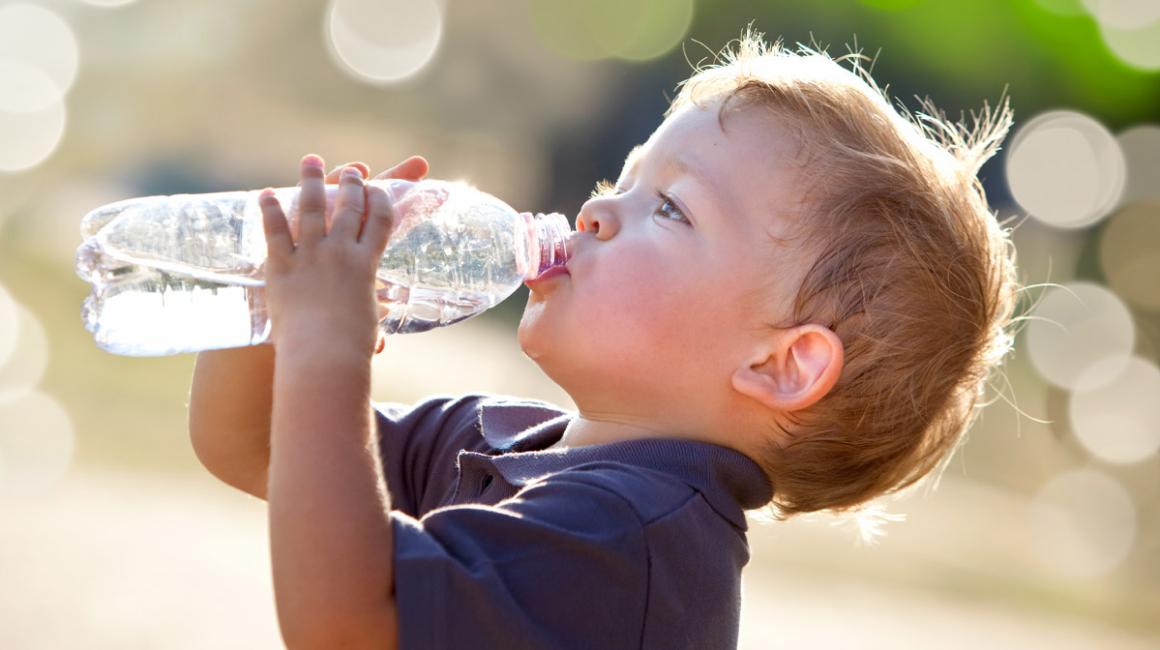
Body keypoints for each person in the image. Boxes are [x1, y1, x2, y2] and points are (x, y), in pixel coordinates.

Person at [188, 28, 1019, 649]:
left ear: (779, 363)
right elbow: (251, 442)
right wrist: (273, 302)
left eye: (669, 208)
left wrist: (327, 352)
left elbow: (343, 622)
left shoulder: (634, 537)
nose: (592, 212)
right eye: (618, 180)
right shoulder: (504, 439)